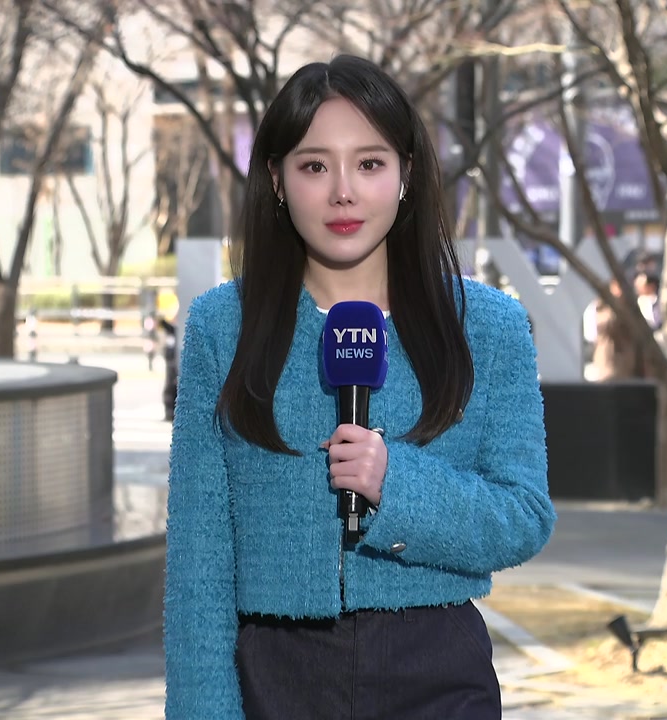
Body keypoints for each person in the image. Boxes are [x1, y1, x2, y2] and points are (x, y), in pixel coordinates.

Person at [165, 54, 556, 720]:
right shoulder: (221, 327)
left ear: (406, 173)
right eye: (315, 166)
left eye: (370, 163)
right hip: (275, 676)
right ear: (277, 180)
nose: (343, 192)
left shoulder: (489, 326)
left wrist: (395, 484)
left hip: (436, 668)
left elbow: (523, 516)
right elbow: (198, 561)